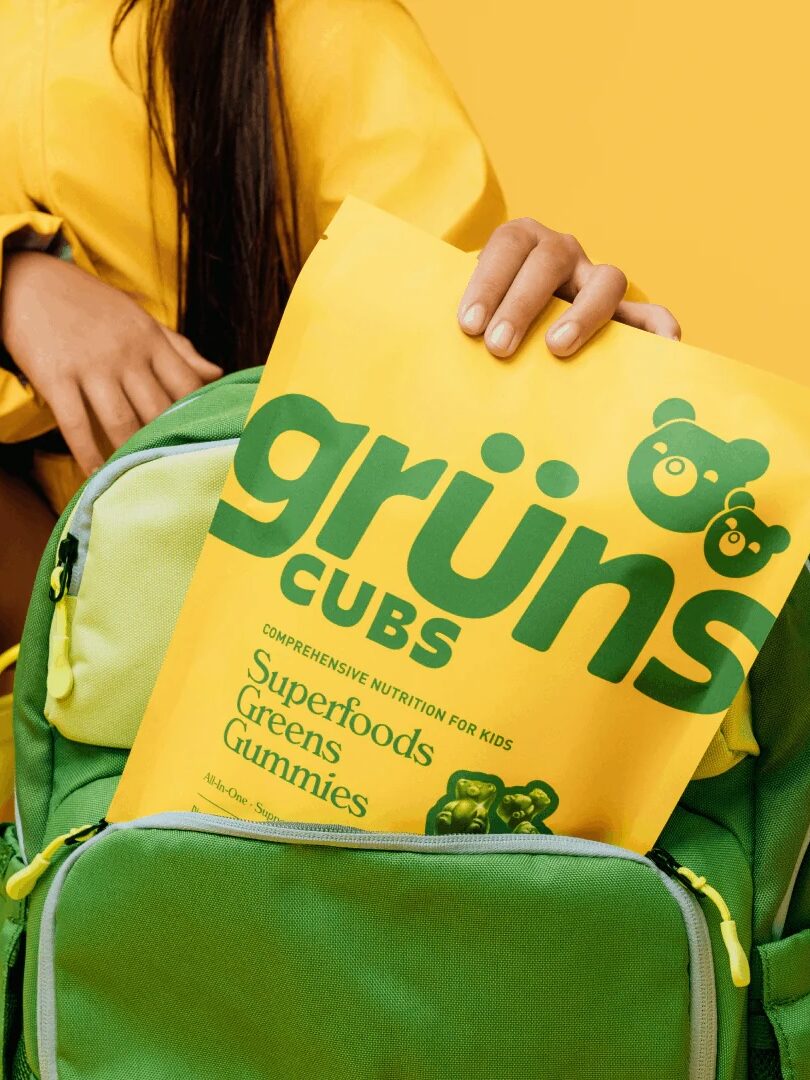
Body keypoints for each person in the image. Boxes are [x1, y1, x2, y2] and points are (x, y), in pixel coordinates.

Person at [0, 0, 679, 777]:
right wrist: (18, 273)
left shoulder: (314, 24)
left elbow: (455, 310)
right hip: (68, 697)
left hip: (289, 683)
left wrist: (553, 319)